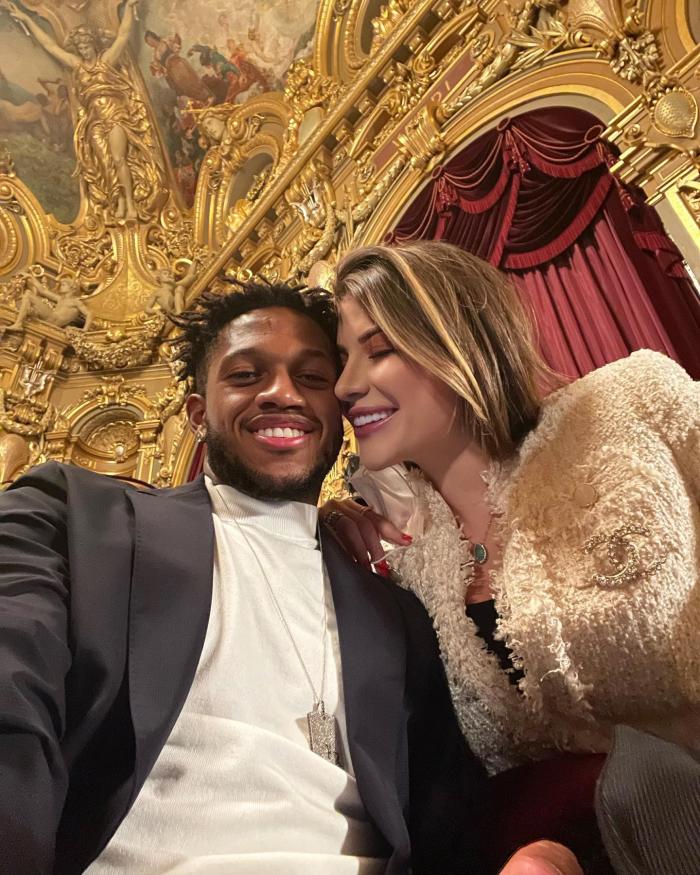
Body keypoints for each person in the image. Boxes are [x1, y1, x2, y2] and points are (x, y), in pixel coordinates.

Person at [0, 279, 577, 875]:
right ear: (198, 414)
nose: (282, 392)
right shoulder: (75, 517)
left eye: (312, 377)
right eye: (246, 375)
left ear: (339, 413)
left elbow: (449, 810)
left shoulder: (397, 609)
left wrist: (550, 849)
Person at [324, 240, 700, 867]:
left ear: (460, 343)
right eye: (341, 360)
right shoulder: (413, 567)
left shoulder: (629, 406)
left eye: (379, 349)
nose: (345, 385)